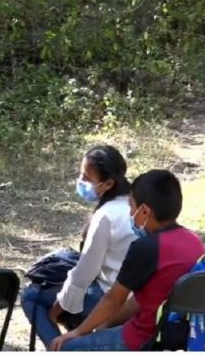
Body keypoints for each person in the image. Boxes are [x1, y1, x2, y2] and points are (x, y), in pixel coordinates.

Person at [50, 170, 205, 351]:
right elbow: (140, 300)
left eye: (131, 205)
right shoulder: (194, 240)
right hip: (178, 335)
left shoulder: (147, 247)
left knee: (65, 347)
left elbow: (114, 300)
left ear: (145, 211)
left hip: (142, 339)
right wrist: (105, 325)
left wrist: (78, 332)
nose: (130, 212)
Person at [20, 145, 135, 349]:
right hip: (135, 299)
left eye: (86, 178)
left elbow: (84, 274)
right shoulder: (135, 204)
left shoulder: (105, 215)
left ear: (108, 183)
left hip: (111, 297)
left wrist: (58, 307)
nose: (81, 182)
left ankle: (60, 347)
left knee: (31, 296)